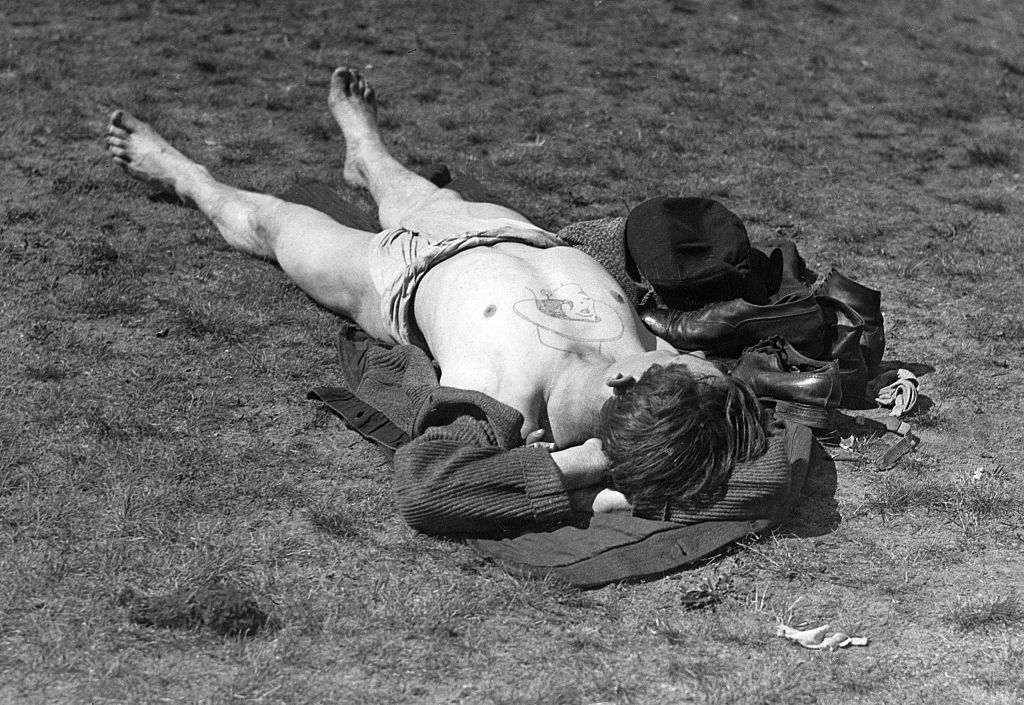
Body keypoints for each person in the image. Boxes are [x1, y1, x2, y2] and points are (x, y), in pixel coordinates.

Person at [105, 67, 768, 536]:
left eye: (695, 360)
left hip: (398, 272)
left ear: (626, 384)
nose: (697, 352)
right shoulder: (660, 374)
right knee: (401, 183)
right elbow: (714, 426)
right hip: (506, 228)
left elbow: (428, 487)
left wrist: (589, 462)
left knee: (276, 226)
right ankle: (366, 153)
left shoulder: (508, 397)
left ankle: (183, 174)